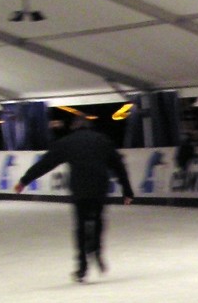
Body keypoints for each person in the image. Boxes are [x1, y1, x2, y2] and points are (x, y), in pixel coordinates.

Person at [14, 117, 134, 282]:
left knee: (80, 225)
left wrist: (24, 181)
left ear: (73, 128)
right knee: (98, 219)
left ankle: (82, 266)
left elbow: (46, 163)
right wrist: (127, 190)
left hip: (80, 189)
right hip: (99, 187)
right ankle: (97, 250)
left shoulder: (67, 142)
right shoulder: (102, 140)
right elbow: (119, 166)